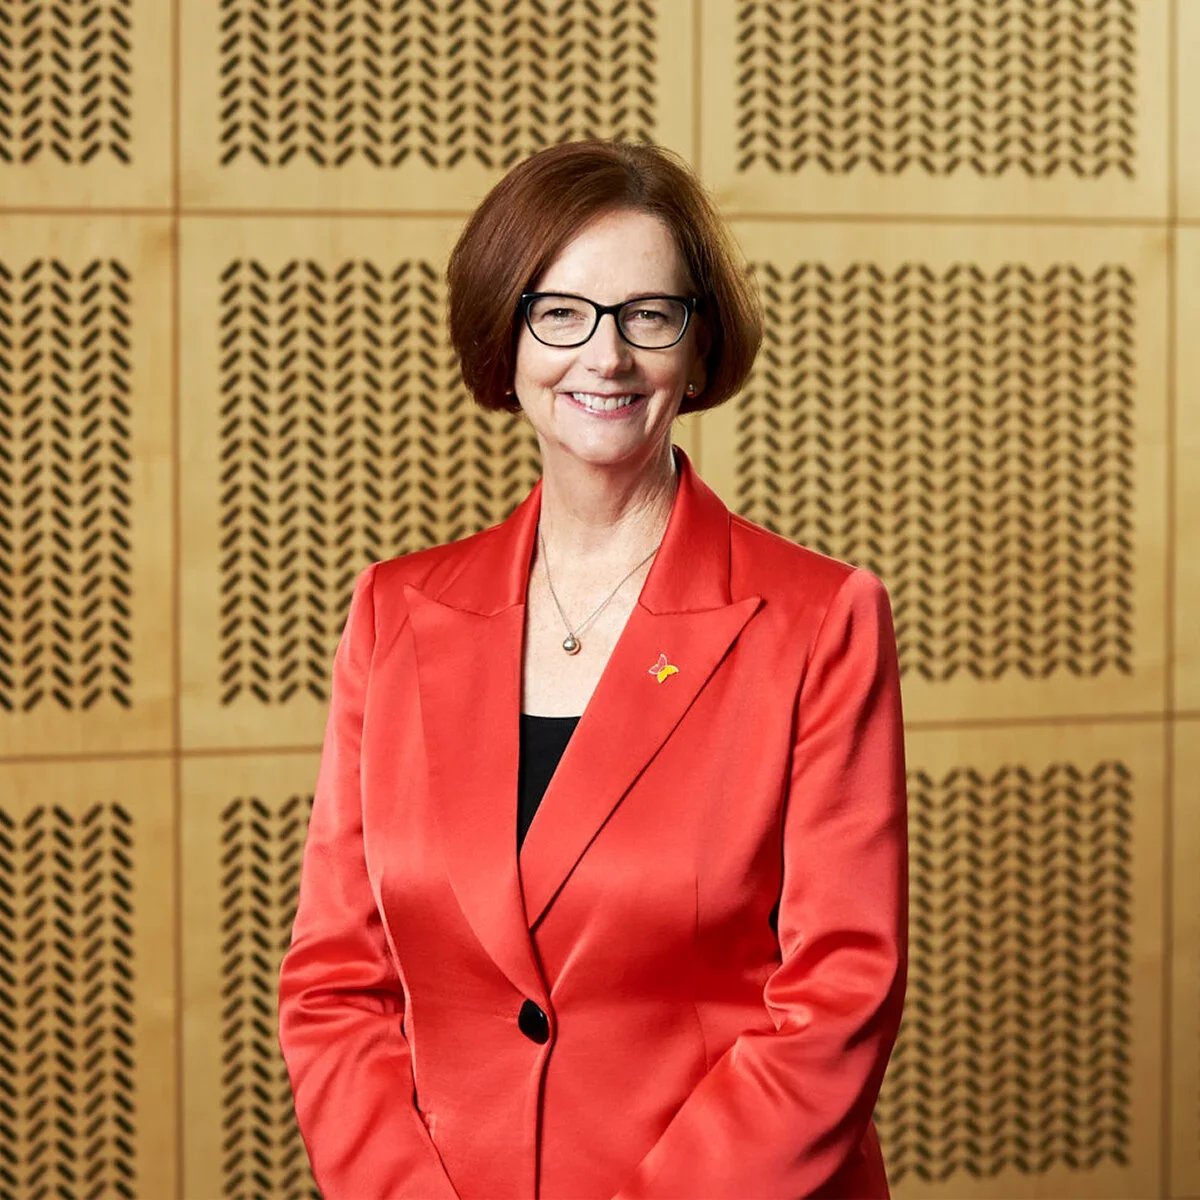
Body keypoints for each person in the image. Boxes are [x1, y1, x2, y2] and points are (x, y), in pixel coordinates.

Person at [277, 140, 908, 1200]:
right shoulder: (396, 612)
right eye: (559, 312)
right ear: (507, 339)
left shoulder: (817, 620)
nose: (604, 357)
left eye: (647, 315)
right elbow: (336, 983)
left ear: (698, 347)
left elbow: (838, 996)